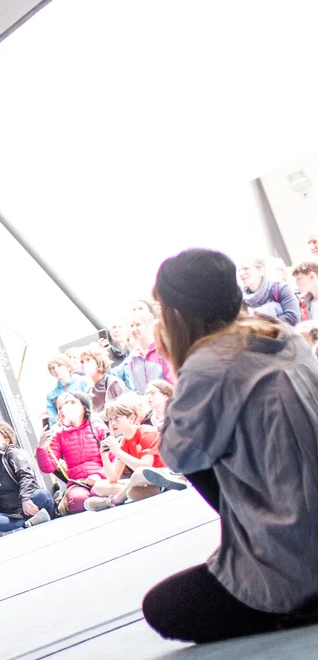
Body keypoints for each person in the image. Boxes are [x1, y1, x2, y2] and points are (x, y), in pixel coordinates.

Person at [141, 248, 318, 643]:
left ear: (176, 313)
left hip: (295, 553)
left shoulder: (210, 364)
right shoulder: (284, 335)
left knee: (165, 608)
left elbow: (177, 453)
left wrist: (177, 366)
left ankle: (292, 605)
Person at [86, 396, 183, 512]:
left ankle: (116, 499)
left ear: (131, 418)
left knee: (139, 473)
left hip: (164, 473)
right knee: (99, 486)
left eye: (117, 418)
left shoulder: (146, 432)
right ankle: (143, 492)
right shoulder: (123, 442)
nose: (113, 423)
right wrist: (105, 456)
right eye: (110, 419)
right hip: (144, 482)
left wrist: (118, 451)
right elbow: (113, 479)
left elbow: (146, 468)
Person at [0, 430, 53, 537]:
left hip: (27, 504)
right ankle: (24, 524)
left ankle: (8, 528)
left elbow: (26, 475)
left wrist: (26, 499)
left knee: (42, 495)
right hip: (7, 515)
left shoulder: (10, 453)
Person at [36, 391, 107, 514]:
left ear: (83, 407)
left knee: (100, 491)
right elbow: (48, 467)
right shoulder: (59, 434)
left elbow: (113, 458)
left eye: (73, 402)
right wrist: (41, 447)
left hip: (101, 477)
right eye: (65, 403)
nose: (67, 406)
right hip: (78, 482)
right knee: (78, 500)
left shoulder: (98, 428)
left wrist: (99, 475)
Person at [239, 256, 301, 326]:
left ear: (261, 271)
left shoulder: (280, 288)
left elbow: (292, 318)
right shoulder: (242, 299)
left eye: (246, 269)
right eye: (239, 270)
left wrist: (259, 325)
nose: (241, 274)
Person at [79, 344, 129, 415]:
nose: (85, 365)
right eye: (82, 362)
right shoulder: (89, 391)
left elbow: (127, 409)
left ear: (98, 360)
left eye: (88, 360)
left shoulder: (113, 383)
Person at [128, 312, 172, 391]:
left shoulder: (161, 351)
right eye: (131, 326)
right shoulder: (133, 357)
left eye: (138, 324)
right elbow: (134, 388)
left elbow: (172, 382)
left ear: (149, 325)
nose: (134, 329)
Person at [44, 355, 91, 423]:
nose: (56, 370)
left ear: (68, 366)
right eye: (52, 368)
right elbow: (54, 421)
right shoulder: (51, 396)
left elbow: (93, 405)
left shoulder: (83, 382)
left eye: (59, 365)